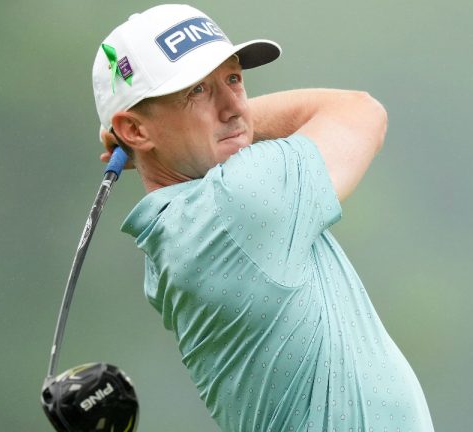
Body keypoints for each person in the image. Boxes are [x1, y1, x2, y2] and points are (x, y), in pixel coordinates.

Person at [93, 4, 434, 431]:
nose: (234, 107)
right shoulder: (235, 205)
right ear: (134, 130)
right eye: (197, 91)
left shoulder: (185, 224)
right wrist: (155, 142)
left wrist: (154, 142)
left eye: (233, 79)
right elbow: (362, 112)